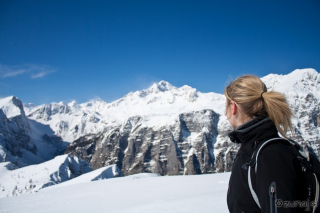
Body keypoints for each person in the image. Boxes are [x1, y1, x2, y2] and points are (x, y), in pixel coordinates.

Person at [225, 75, 309, 213]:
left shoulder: (271, 155)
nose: (226, 114)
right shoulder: (254, 150)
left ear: (233, 107)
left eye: (226, 106)